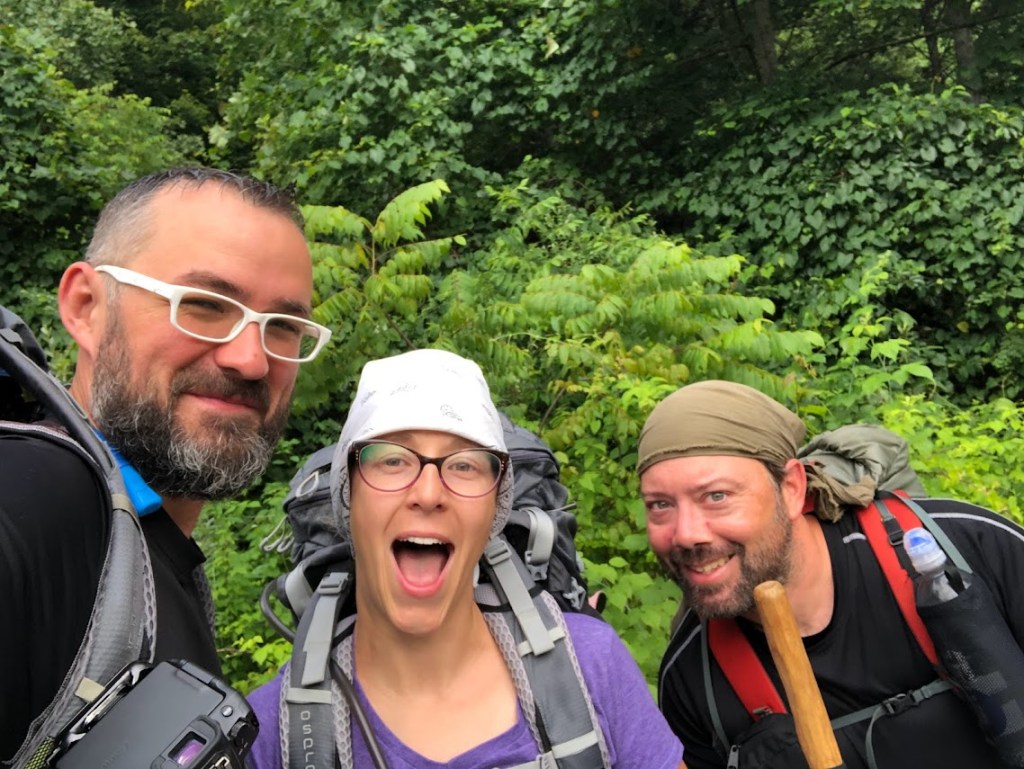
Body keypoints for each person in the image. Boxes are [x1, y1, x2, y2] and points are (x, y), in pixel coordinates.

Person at [0, 167, 331, 762]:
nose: (252, 360)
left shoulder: (143, 545)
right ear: (86, 307)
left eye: (282, 327)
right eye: (204, 305)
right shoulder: (37, 500)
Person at [246, 348, 687, 769]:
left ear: (494, 509)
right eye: (392, 460)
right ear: (349, 497)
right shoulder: (269, 735)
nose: (428, 493)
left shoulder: (593, 666)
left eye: (465, 465)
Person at [637, 379, 1024, 769]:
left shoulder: (972, 545)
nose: (686, 534)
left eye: (716, 496)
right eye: (660, 505)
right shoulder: (694, 678)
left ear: (790, 488)